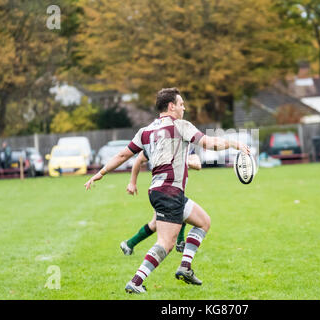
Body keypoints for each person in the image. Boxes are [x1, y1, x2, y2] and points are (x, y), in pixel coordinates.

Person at [84, 87, 249, 294]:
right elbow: (209, 143)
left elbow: (122, 156)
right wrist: (234, 143)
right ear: (171, 106)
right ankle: (135, 281)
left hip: (161, 190)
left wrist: (101, 172)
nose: (184, 107)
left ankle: (185, 267)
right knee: (166, 243)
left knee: (203, 222)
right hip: (169, 192)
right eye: (181, 104)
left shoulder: (144, 131)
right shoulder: (180, 126)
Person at [120, 150, 202, 256]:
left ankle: (129, 244)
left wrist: (181, 160)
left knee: (154, 224)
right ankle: (180, 242)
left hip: (175, 190)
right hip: (162, 190)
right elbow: (139, 159)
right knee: (183, 208)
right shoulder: (161, 143)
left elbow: (197, 165)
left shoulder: (186, 145)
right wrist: (132, 183)